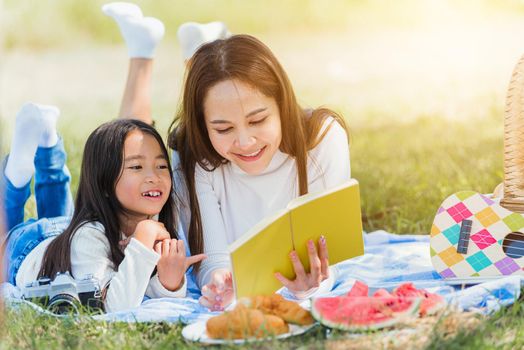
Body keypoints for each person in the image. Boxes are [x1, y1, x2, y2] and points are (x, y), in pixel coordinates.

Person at [104, 4, 351, 311]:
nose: (245, 142)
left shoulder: (323, 137)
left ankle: (198, 49)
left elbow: (334, 254)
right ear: (204, 128)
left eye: (258, 121)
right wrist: (221, 284)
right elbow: (211, 259)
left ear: (282, 105)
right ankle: (144, 51)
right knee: (130, 149)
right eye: (223, 128)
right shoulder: (194, 150)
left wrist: (313, 285)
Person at [3, 103, 205, 312]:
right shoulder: (90, 237)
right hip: (25, 249)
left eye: (161, 166)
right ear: (104, 182)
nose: (154, 177)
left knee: (64, 217)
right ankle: (18, 175)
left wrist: (168, 283)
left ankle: (47, 139)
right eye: (136, 167)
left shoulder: (151, 217)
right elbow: (114, 307)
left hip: (66, 236)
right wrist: (144, 239)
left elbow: (138, 288)